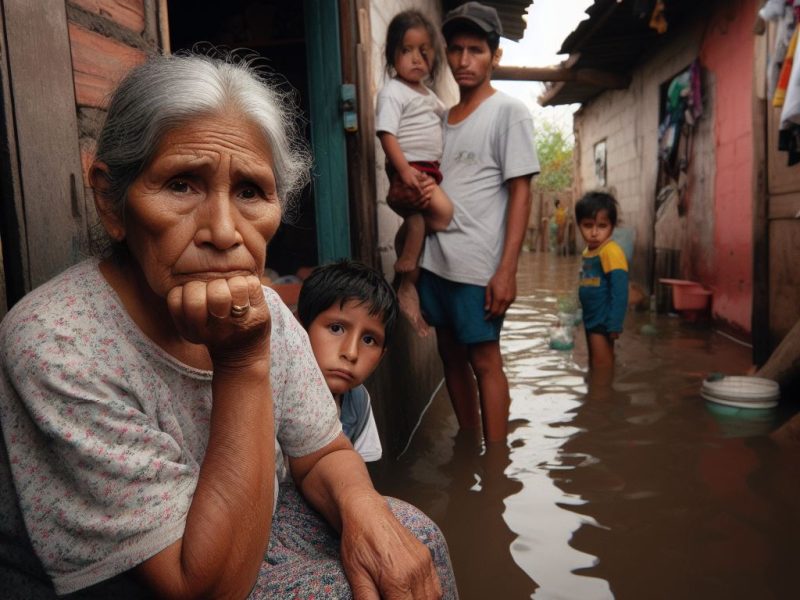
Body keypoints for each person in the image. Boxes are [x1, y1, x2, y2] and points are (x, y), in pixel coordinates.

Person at [0, 53, 456, 599]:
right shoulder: (57, 343)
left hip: (244, 523)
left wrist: (368, 515)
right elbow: (206, 589)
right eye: (182, 185)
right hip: (144, 574)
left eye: (249, 192)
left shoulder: (265, 307)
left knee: (413, 538)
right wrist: (242, 362)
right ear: (111, 201)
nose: (222, 231)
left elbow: (325, 454)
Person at [388, 2, 540, 444]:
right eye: (455, 50)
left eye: (475, 50)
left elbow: (522, 193)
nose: (462, 61)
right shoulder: (440, 118)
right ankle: (470, 448)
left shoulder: (508, 112)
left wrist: (506, 270)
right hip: (436, 263)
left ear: (495, 56)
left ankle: (496, 466)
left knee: (485, 361)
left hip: (478, 268)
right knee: (450, 358)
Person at [376, 9, 453, 337]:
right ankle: (407, 281)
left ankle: (404, 276)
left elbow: (447, 123)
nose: (415, 59)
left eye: (424, 51)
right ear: (393, 55)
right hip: (411, 173)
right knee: (440, 215)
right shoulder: (394, 91)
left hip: (428, 173)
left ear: (434, 57)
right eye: (406, 51)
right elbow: (386, 134)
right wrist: (404, 171)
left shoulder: (429, 96)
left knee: (420, 221)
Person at [298, 260, 399, 462]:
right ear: (299, 328)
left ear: (381, 357)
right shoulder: (274, 394)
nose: (351, 353)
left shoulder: (358, 402)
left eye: (369, 340)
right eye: (336, 328)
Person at [575, 191, 629, 371]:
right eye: (588, 225)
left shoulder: (611, 251)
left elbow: (620, 291)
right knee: (595, 363)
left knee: (602, 366)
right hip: (590, 318)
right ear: (579, 225)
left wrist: (614, 324)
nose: (594, 232)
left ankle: (602, 396)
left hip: (603, 321)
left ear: (612, 227)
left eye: (602, 226)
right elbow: (587, 283)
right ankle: (595, 395)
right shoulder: (588, 252)